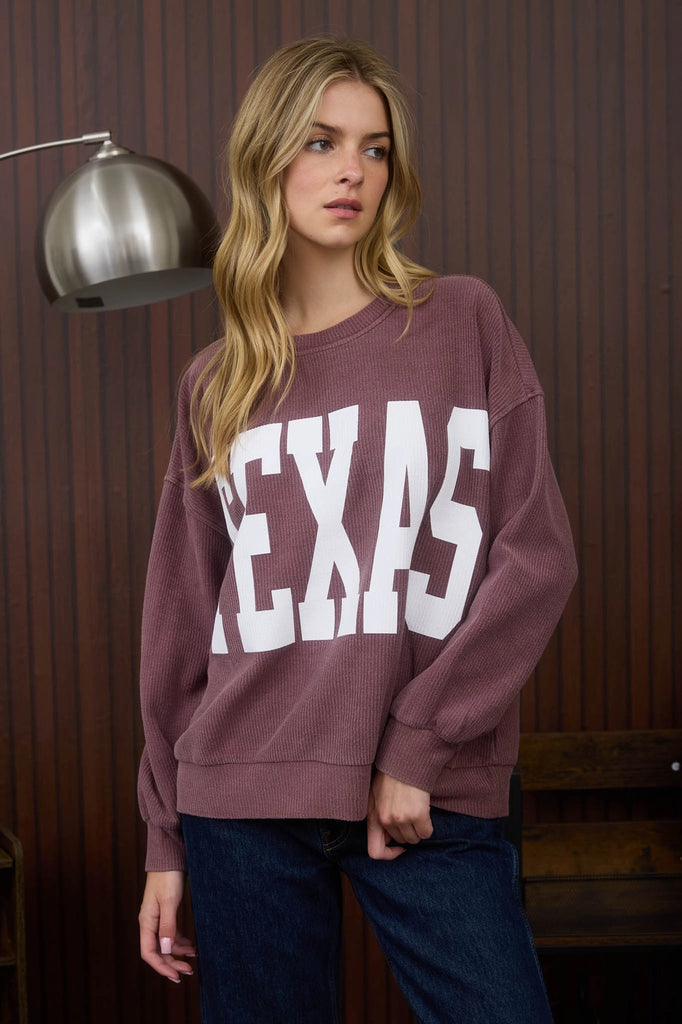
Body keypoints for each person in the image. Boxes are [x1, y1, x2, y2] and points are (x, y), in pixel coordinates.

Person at [137, 36, 577, 1024]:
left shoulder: (461, 321)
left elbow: (536, 557)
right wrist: (164, 837)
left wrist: (419, 744)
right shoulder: (216, 382)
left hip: (423, 790)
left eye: (375, 149)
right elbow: (182, 624)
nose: (353, 171)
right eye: (322, 142)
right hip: (238, 797)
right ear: (265, 160)